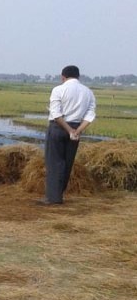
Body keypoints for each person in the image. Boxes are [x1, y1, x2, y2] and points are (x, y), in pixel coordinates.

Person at [40, 65, 97, 205]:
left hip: (58, 128)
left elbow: (56, 114)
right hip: (77, 129)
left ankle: (53, 198)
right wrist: (76, 131)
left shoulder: (58, 89)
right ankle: (58, 194)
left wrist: (68, 129)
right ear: (78, 76)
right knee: (67, 163)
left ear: (63, 77)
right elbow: (90, 115)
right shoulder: (88, 92)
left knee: (54, 163)